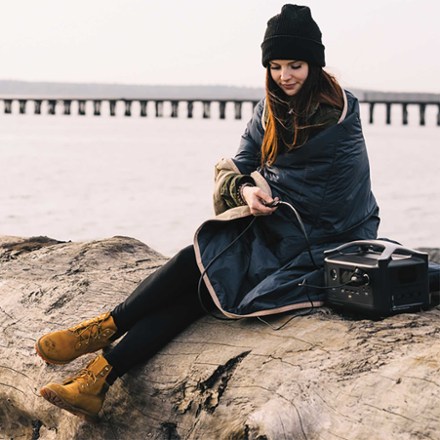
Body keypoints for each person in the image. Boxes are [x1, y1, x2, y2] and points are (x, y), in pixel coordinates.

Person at [35, 4, 381, 421]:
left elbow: (334, 197)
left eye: (295, 64)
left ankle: (102, 355)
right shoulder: (270, 108)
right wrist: (249, 189)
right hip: (275, 226)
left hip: (320, 240)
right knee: (194, 276)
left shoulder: (338, 116)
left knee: (199, 280)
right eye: (275, 66)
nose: (284, 75)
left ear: (314, 64)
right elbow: (242, 162)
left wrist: (264, 191)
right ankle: (99, 361)